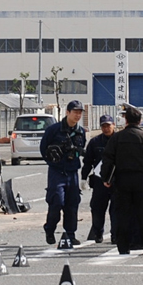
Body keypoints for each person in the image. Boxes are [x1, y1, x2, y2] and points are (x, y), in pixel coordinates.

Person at [100, 105, 143, 255]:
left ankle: (123, 247)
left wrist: (106, 178)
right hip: (142, 180)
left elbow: (108, 159)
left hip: (122, 180)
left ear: (126, 120)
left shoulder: (117, 138)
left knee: (123, 214)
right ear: (140, 120)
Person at [40, 100, 87, 245]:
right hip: (57, 171)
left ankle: (70, 234)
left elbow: (81, 149)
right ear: (67, 112)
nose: (78, 115)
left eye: (80, 112)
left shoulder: (81, 132)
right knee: (56, 202)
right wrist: (53, 161)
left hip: (72, 171)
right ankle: (50, 229)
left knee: (72, 204)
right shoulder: (54, 130)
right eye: (75, 112)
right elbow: (43, 149)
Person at [81, 114, 116, 243]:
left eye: (108, 125)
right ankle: (97, 233)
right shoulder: (95, 142)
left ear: (113, 125)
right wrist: (83, 178)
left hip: (116, 181)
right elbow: (88, 161)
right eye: (103, 126)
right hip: (99, 180)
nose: (106, 128)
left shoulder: (119, 140)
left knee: (116, 209)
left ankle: (115, 235)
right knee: (97, 208)